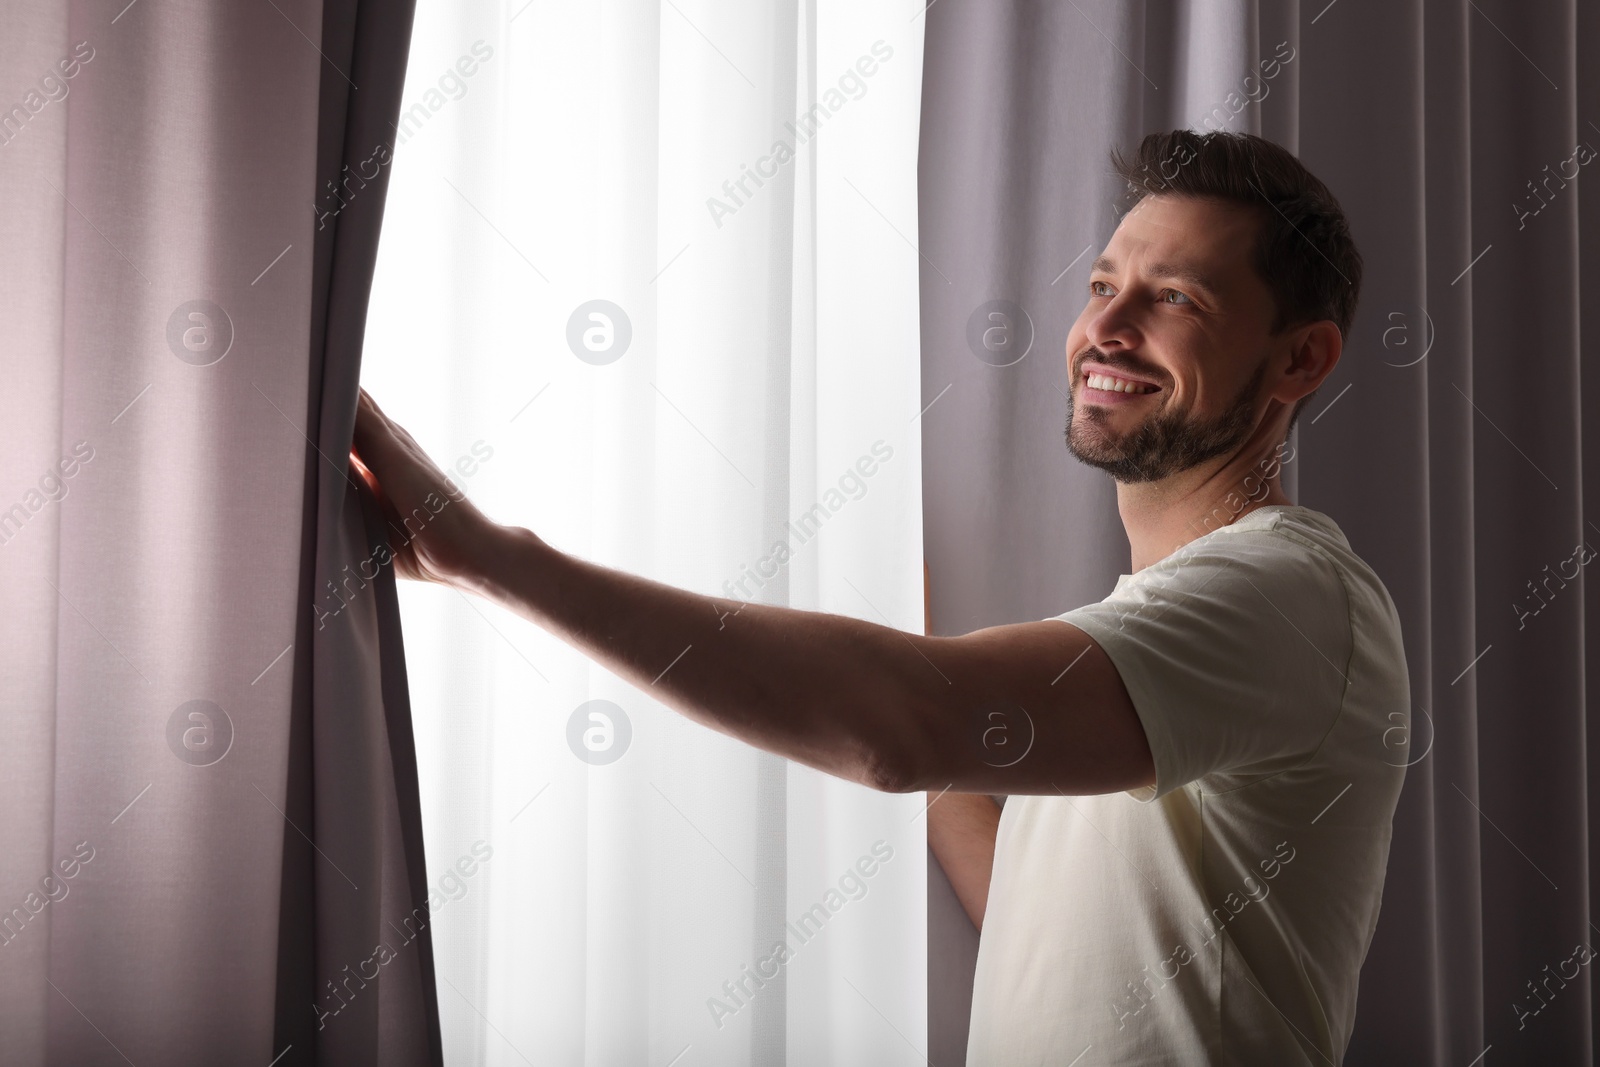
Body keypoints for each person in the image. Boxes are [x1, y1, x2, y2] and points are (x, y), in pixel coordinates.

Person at [350, 128, 1409, 1065]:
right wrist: (920, 664)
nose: (1107, 327)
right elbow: (1046, 917)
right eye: (1100, 285)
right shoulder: (1177, 619)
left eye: (1175, 297)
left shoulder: (1285, 595)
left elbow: (900, 732)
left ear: (1300, 360)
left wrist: (495, 558)